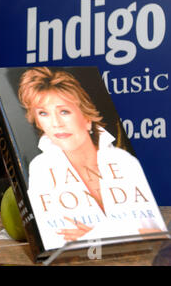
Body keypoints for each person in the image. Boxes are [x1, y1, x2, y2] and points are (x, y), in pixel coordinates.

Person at [18, 67, 167, 249]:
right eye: (43, 113)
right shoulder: (41, 169)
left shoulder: (125, 162)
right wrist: (128, 232)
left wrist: (103, 232)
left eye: (64, 111)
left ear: (87, 117)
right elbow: (55, 242)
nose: (56, 123)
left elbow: (158, 237)